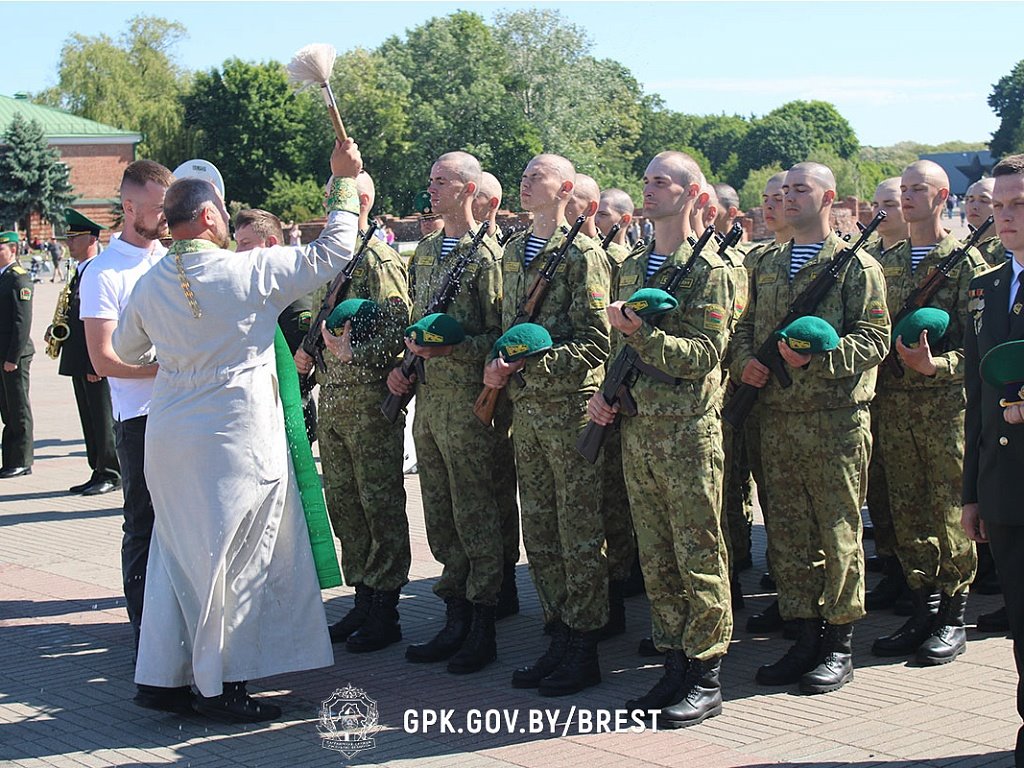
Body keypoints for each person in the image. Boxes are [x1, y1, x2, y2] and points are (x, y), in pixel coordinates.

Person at [112, 139, 363, 723]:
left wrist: (181, 355)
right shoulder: (249, 270)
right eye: (224, 213)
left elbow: (126, 348)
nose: (229, 221)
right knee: (233, 562)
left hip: (171, 435)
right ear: (206, 216)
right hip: (235, 439)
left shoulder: (150, 281)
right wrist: (344, 182)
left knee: (178, 557)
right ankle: (218, 685)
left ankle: (162, 678)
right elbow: (335, 249)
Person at [589, 150, 737, 725]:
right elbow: (620, 348)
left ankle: (705, 672)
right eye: (646, 181)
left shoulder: (712, 271)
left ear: (693, 193)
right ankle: (672, 661)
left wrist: (644, 336)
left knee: (698, 552)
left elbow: (704, 355)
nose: (649, 190)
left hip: (687, 433)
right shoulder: (631, 264)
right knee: (655, 555)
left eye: (662, 182)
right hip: (638, 428)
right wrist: (607, 393)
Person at [733, 162, 890, 695]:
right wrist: (743, 363)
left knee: (838, 529)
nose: (791, 197)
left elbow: (875, 339)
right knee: (788, 532)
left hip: (834, 421)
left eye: (804, 189)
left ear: (829, 199)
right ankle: (802, 632)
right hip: (776, 419)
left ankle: (839, 640)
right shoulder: (767, 262)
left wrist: (816, 361)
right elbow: (744, 329)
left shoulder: (856, 265)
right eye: (787, 189)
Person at [484, 153, 612, 696]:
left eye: (537, 176)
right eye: (524, 175)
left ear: (564, 189)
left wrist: (533, 362)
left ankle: (584, 646)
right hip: (527, 411)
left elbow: (597, 341)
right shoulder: (514, 250)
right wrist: (498, 364)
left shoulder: (583, 254)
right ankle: (555, 634)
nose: (525, 182)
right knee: (540, 528)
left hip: (567, 411)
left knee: (578, 531)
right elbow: (505, 326)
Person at [393, 151, 505, 674]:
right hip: (430, 405)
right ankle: (454, 613)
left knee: (475, 511)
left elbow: (502, 337)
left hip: (469, 405)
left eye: (442, 181)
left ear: (467, 189)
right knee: (439, 512)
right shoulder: (427, 251)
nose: (431, 189)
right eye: (431, 180)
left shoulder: (491, 256)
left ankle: (483, 622)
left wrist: (452, 350)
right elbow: (418, 322)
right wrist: (406, 363)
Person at [869, 160, 985, 664]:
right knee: (907, 509)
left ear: (942, 198)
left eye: (920, 189)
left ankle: (953, 615)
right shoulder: (883, 262)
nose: (909, 196)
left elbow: (980, 345)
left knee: (947, 512)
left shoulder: (965, 263)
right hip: (893, 406)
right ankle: (922, 607)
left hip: (943, 407)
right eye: (905, 189)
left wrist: (937, 364)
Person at [293, 172, 413, 652]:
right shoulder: (338, 257)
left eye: (334, 196)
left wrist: (352, 354)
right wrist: (315, 354)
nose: (327, 204)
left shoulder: (378, 259)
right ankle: (363, 597)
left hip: (368, 401)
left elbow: (399, 323)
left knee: (378, 503)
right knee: (345, 503)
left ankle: (386, 608)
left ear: (361, 200)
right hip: (336, 402)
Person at [81, 160, 173, 662]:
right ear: (130, 207)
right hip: (140, 421)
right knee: (143, 525)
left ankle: (178, 629)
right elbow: (103, 359)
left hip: (186, 415)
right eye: (160, 209)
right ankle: (146, 636)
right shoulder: (104, 271)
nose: (166, 218)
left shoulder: (173, 259)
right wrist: (169, 368)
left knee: (183, 525)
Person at [962, 153, 1024, 768]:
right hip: (1006, 488)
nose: (1004, 217)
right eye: (998, 205)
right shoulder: (984, 287)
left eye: (1018, 205)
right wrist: (971, 494)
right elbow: (976, 400)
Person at [470, 170, 523, 619]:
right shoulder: (429, 252)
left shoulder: (492, 256)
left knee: (491, 496)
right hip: (445, 397)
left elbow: (496, 330)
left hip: (494, 393)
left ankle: (496, 592)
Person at [861, 177, 910, 612]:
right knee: (884, 492)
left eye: (889, 203)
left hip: (925, 398)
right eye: (876, 204)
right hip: (878, 394)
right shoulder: (868, 256)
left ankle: (939, 602)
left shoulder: (953, 258)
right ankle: (896, 567)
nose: (882, 212)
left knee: (928, 501)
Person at [235, 208, 318, 442]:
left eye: (245, 243)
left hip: (289, 410)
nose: (238, 251)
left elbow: (298, 357)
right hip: (255, 413)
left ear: (271, 243)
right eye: (237, 243)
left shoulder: (293, 290)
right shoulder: (250, 289)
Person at [55, 209, 120, 495]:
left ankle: (111, 471)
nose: (69, 242)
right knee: (89, 416)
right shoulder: (79, 271)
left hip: (94, 360)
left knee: (102, 416)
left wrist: (98, 361)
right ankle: (97, 468)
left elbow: (105, 319)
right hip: (80, 358)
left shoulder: (98, 270)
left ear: (92, 238)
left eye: (74, 237)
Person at [0, 231, 34, 478]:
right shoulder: (3, 278)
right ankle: (10, 459)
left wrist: (13, 357)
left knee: (18, 408)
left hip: (15, 356)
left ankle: (22, 460)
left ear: (12, 249)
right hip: (3, 356)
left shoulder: (18, 279)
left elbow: (22, 323)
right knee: (7, 408)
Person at [965, 178, 1006, 265]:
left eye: (984, 201)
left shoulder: (1012, 250)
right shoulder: (958, 247)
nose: (973, 207)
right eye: (970, 200)